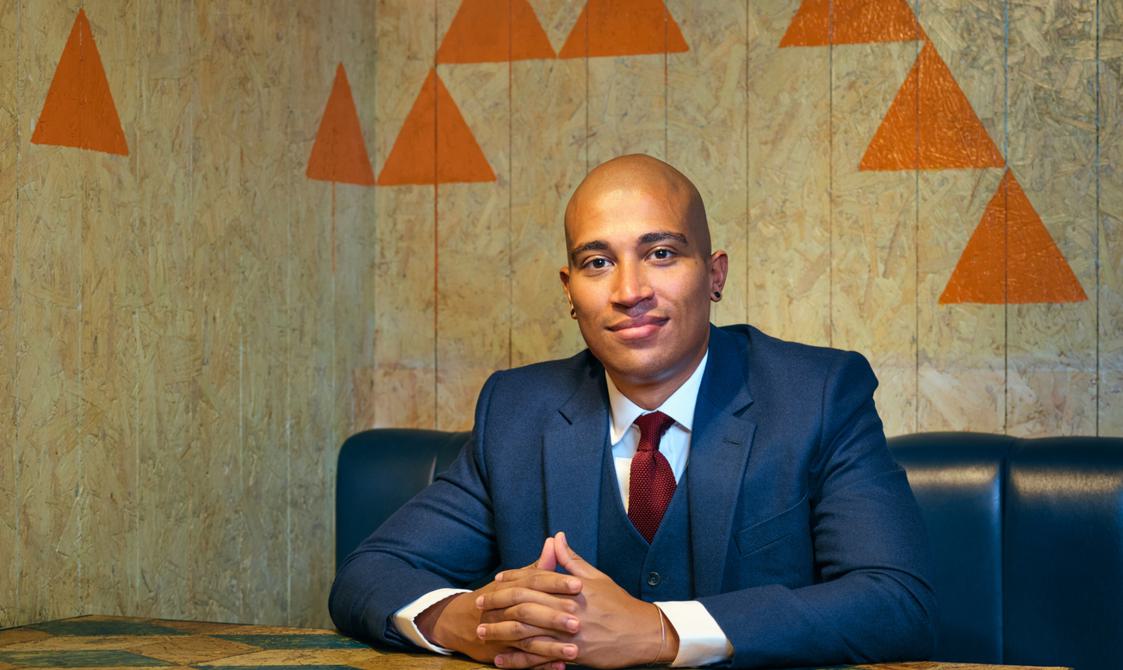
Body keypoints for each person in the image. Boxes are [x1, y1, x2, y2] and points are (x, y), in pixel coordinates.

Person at [329, 155, 936, 669]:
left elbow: (896, 600)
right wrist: (473, 622)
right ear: (569, 291)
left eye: (662, 253)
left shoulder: (819, 394)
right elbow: (370, 574)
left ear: (715, 274)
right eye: (597, 263)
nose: (628, 291)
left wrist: (657, 631)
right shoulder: (518, 411)